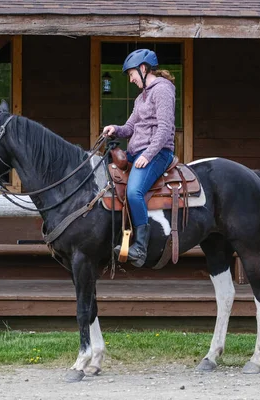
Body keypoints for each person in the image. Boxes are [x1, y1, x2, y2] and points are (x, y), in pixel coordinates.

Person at [102, 48, 176, 267]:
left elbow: (164, 129)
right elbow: (129, 128)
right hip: (138, 152)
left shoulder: (162, 90)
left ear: (143, 69)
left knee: (134, 192)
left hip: (157, 153)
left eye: (132, 73)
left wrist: (148, 154)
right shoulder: (141, 98)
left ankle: (140, 248)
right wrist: (114, 128)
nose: (131, 79)